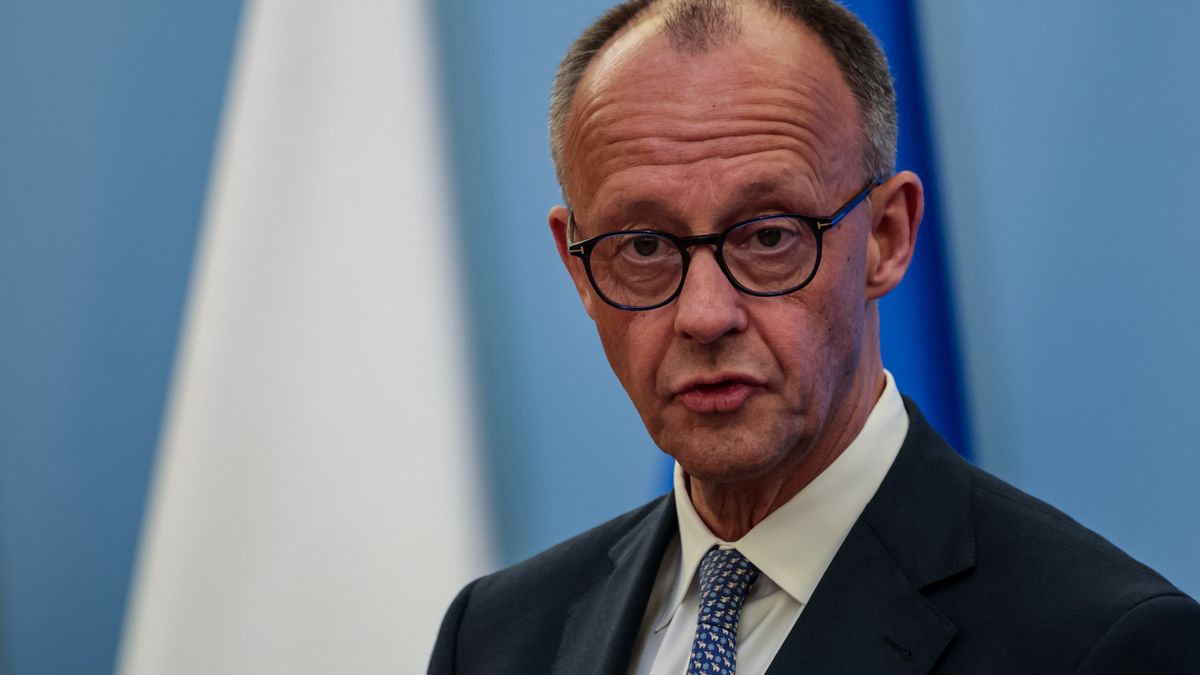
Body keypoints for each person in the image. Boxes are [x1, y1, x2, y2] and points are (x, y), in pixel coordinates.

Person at [429, 0, 1200, 672]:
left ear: (888, 236)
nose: (704, 313)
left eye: (769, 236)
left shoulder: (1102, 643)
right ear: (577, 267)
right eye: (643, 246)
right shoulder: (495, 636)